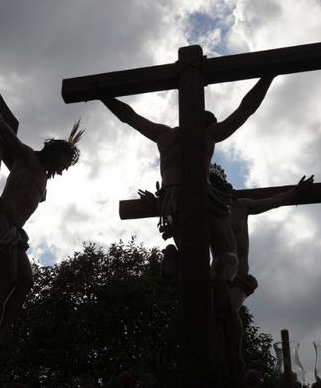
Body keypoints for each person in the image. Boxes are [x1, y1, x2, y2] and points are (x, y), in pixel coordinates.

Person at [100, 76, 276, 313]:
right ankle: (219, 283)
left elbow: (128, 116)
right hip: (201, 194)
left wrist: (102, 96)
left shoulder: (164, 134)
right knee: (227, 253)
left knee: (191, 253)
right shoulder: (208, 135)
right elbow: (245, 109)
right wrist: (268, 77)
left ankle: (177, 256)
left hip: (171, 199)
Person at [0, 72, 84, 355]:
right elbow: (1, 128)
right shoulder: (27, 158)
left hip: (15, 232)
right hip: (1, 221)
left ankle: (2, 334)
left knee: (26, 281)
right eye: (65, 161)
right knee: (9, 279)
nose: (65, 169)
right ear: (54, 152)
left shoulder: (44, 180)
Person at [213, 170, 315, 376]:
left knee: (227, 311)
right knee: (212, 323)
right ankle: (218, 362)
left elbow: (273, 201)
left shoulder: (240, 207)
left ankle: (235, 359)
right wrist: (160, 204)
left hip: (239, 278)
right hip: (218, 277)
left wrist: (295, 192)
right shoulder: (208, 215)